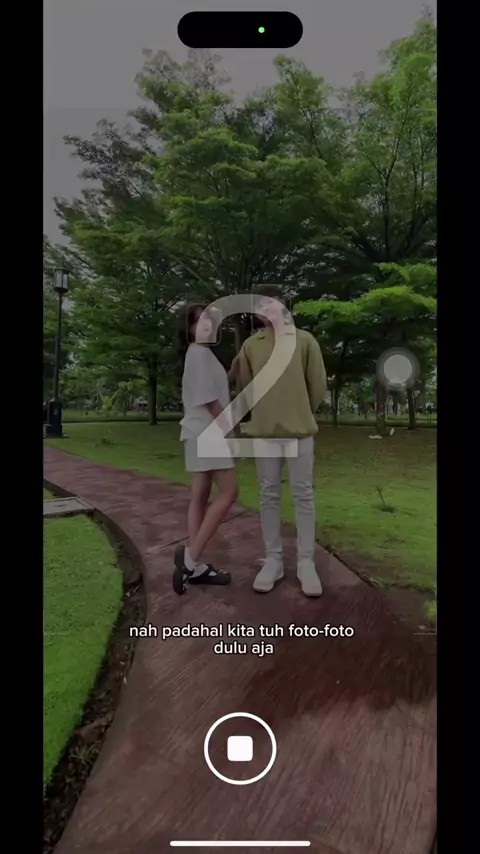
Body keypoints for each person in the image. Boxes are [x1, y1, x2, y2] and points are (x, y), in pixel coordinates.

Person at [236, 284, 327, 597]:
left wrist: (299, 412)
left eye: (272, 303)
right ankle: (273, 560)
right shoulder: (251, 345)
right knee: (268, 496)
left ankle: (306, 562)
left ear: (285, 305)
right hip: (265, 434)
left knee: (303, 496)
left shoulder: (305, 340)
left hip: (299, 432)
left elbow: (317, 386)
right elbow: (246, 386)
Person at [173, 301, 238, 595]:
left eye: (209, 320)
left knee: (200, 495)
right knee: (229, 493)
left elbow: (214, 389)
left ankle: (195, 564)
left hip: (196, 431)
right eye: (200, 321)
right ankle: (190, 560)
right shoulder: (199, 354)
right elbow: (210, 400)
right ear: (189, 328)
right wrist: (228, 429)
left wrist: (232, 372)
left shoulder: (200, 353)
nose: (207, 325)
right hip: (208, 431)